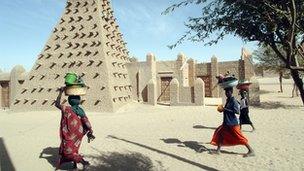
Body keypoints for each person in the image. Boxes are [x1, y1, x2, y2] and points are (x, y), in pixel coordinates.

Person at [55, 87, 95, 170]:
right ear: (79, 101)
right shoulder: (80, 110)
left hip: (69, 133)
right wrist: (90, 130)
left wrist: (60, 92)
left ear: (69, 101)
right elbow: (86, 121)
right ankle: (75, 165)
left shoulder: (66, 109)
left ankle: (82, 162)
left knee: (69, 150)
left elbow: (57, 104)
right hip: (78, 133)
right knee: (74, 149)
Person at [210, 87, 254, 157]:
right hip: (226, 122)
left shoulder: (234, 101)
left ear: (231, 92)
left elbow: (237, 112)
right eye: (226, 92)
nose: (226, 94)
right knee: (220, 134)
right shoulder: (228, 100)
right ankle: (218, 150)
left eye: (228, 92)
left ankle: (251, 150)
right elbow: (226, 109)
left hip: (232, 123)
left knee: (239, 137)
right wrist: (222, 109)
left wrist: (225, 109)